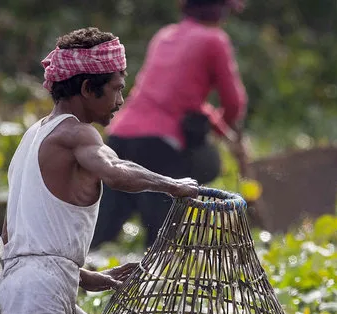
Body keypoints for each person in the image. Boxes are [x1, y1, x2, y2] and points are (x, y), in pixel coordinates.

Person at [0, 27, 199, 314]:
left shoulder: (34, 135)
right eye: (117, 89)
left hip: (40, 281)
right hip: (38, 290)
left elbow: (17, 236)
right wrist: (173, 186)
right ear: (89, 88)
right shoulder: (76, 134)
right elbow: (115, 169)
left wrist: (88, 277)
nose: (121, 101)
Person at [90, 0, 249, 250]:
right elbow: (235, 102)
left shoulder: (164, 36)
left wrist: (219, 129)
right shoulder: (214, 40)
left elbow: (177, 98)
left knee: (101, 231)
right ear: (220, 12)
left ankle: (84, 278)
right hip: (160, 145)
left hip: (119, 136)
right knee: (161, 240)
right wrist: (225, 129)